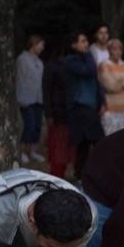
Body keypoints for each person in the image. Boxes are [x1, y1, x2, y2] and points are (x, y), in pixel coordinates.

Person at [63, 30, 104, 177]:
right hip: (80, 108)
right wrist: (88, 55)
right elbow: (90, 71)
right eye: (82, 41)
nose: (86, 44)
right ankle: (82, 173)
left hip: (90, 107)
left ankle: (82, 173)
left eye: (87, 41)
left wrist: (101, 102)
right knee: (92, 142)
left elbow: (95, 81)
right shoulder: (71, 61)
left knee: (85, 144)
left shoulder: (87, 59)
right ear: (74, 45)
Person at [42, 37, 74, 178]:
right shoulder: (53, 66)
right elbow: (47, 90)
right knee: (59, 148)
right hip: (58, 112)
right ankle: (57, 175)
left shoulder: (67, 65)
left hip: (67, 112)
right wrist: (49, 113)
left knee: (65, 147)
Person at [97, 38, 124, 136]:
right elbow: (110, 85)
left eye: (120, 49)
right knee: (110, 138)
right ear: (109, 50)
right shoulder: (104, 65)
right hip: (110, 108)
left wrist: (119, 81)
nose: (118, 52)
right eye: (114, 49)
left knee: (123, 138)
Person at [16, 34, 46, 163]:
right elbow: (19, 79)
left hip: (38, 98)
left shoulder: (39, 62)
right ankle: (22, 152)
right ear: (34, 44)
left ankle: (33, 151)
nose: (42, 47)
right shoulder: (22, 59)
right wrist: (20, 97)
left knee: (38, 126)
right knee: (30, 125)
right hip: (26, 98)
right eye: (41, 44)